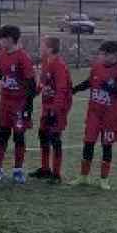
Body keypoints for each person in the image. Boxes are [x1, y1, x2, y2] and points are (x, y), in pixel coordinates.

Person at [70, 41, 117, 190]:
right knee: (88, 143)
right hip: (94, 114)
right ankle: (83, 176)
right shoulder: (97, 67)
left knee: (107, 146)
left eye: (105, 54)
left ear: (114, 55)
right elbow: (90, 81)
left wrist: (113, 88)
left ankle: (104, 179)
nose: (102, 57)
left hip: (110, 117)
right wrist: (76, 89)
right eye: (101, 54)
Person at [0, 25, 36, 184]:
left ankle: (18, 170)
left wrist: (28, 109)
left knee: (19, 136)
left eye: (1, 38)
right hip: (5, 102)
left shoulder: (23, 57)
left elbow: (31, 84)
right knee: (3, 134)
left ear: (10, 39)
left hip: (19, 104)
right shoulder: (3, 55)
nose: (0, 42)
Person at [35, 36, 73, 182]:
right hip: (47, 105)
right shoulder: (46, 62)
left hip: (58, 108)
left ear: (50, 49)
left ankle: (56, 174)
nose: (40, 48)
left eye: (42, 45)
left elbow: (62, 90)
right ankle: (45, 168)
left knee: (55, 138)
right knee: (43, 135)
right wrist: (34, 93)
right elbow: (43, 83)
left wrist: (55, 110)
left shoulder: (59, 66)